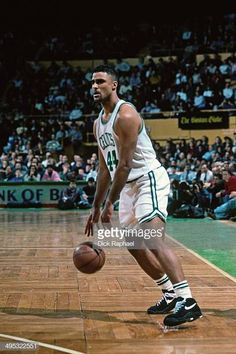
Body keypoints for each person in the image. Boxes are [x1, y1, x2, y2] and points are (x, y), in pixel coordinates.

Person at [85, 65, 202, 327]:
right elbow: (105, 169)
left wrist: (110, 203)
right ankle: (170, 294)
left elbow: (124, 165)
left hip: (148, 179)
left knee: (151, 234)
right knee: (134, 243)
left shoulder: (125, 114)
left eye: (100, 81)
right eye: (92, 82)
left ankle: (188, 300)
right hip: (127, 186)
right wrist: (95, 206)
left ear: (113, 85)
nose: (94, 86)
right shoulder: (97, 125)